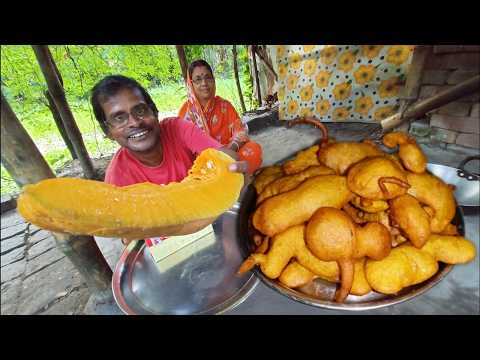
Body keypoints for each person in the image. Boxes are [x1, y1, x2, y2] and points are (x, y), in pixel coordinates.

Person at [90, 75, 249, 244]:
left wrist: (231, 164)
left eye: (140, 110)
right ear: (108, 131)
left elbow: (223, 155)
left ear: (154, 111)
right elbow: (129, 239)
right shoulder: (116, 180)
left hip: (211, 223)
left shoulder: (177, 129)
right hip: (169, 249)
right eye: (119, 118)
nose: (135, 122)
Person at [178, 59, 263, 174]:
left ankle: (231, 179)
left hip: (228, 155)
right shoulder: (186, 112)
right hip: (201, 163)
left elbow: (240, 131)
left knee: (253, 150)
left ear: (213, 80)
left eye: (208, 77)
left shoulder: (224, 106)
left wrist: (229, 150)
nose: (204, 83)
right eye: (198, 79)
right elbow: (182, 148)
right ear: (191, 84)